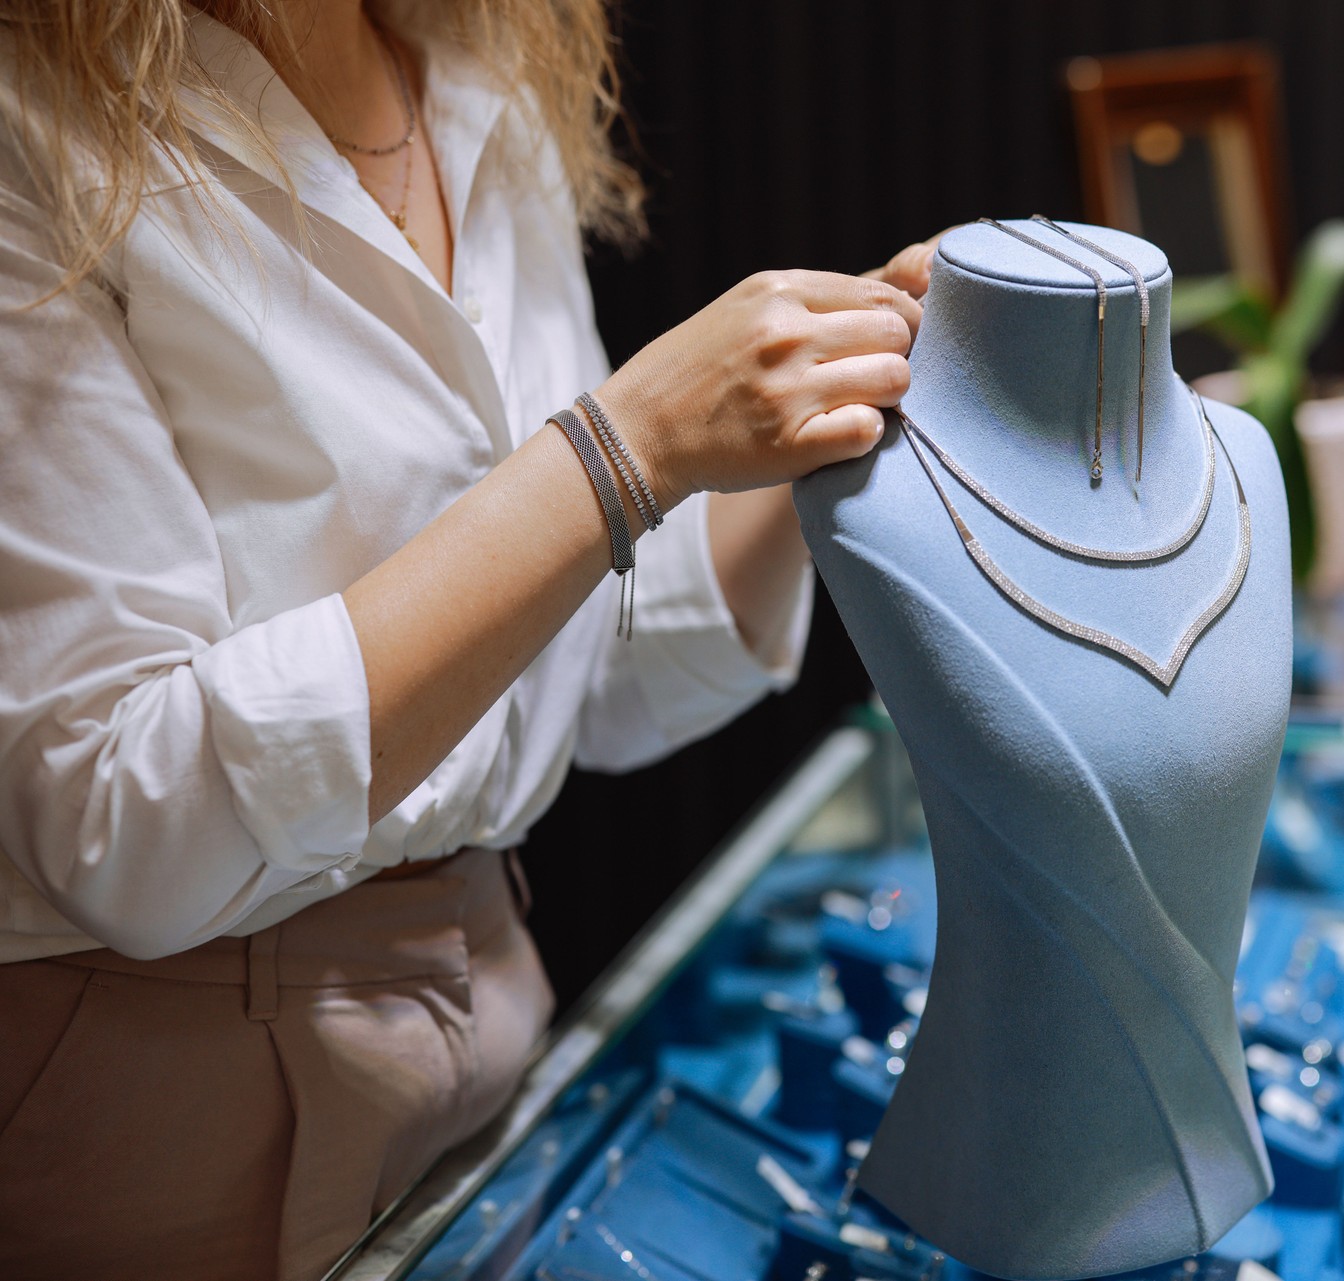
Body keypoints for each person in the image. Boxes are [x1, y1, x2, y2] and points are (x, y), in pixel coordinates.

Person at [0, 2, 940, 1275]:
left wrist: (851, 395)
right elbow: (123, 817)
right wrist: (626, 449)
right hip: (168, 1094)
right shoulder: (31, 127)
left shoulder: (471, 69)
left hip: (489, 997)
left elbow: (583, 672)